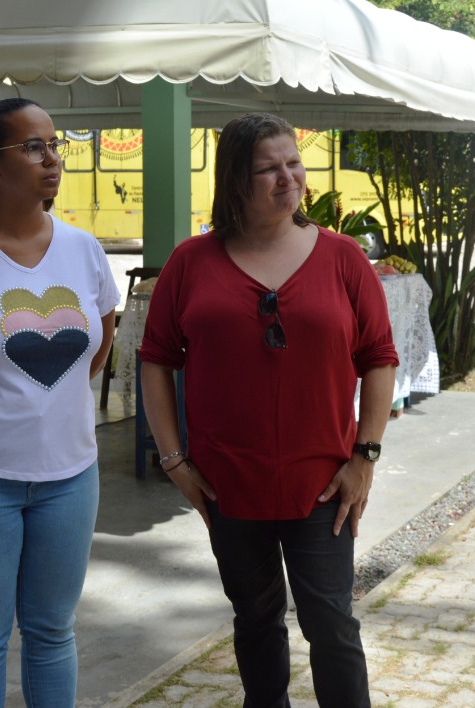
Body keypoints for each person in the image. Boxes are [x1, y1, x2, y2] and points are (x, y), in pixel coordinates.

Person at [139, 112, 398, 706]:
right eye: (268, 169)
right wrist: (175, 461)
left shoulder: (343, 257)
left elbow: (380, 358)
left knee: (331, 624)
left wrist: (365, 456)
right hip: (229, 483)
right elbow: (155, 360)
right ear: (235, 179)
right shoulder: (191, 262)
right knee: (255, 620)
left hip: (323, 485)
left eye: (294, 163)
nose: (288, 178)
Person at [0, 98, 119, 708]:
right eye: (33, 147)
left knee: (52, 632)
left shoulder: (83, 249)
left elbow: (98, 346)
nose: (52, 159)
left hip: (71, 476)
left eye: (54, 145)